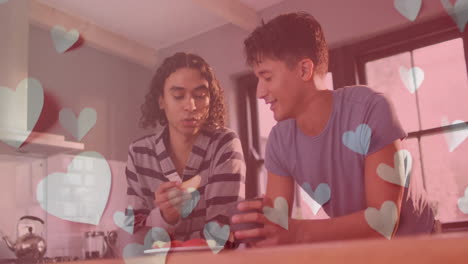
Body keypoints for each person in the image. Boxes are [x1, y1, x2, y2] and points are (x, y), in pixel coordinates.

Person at [231, 12, 435, 247]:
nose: (259, 93)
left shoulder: (370, 109)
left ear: (304, 70)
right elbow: (279, 226)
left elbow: (384, 221)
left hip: (422, 247)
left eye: (266, 77)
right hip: (362, 253)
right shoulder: (280, 139)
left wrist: (296, 232)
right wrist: (259, 224)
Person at [124, 52, 245, 245]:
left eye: (200, 95)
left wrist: (164, 240)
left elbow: (222, 235)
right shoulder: (139, 153)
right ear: (161, 101)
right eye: (178, 96)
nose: (191, 106)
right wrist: (164, 217)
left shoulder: (224, 144)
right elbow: (134, 235)